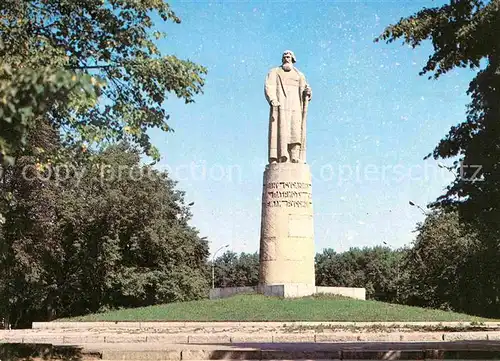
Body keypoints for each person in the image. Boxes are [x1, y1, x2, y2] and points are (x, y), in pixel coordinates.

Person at [264, 50, 312, 163]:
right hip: (281, 104)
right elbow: (268, 87)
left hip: (295, 105)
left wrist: (308, 93)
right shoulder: (274, 72)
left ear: (293, 59)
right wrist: (273, 99)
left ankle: (295, 155)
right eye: (284, 56)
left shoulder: (300, 75)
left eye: (289, 57)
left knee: (295, 130)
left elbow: (305, 91)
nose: (286, 58)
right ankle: (281, 156)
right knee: (281, 130)